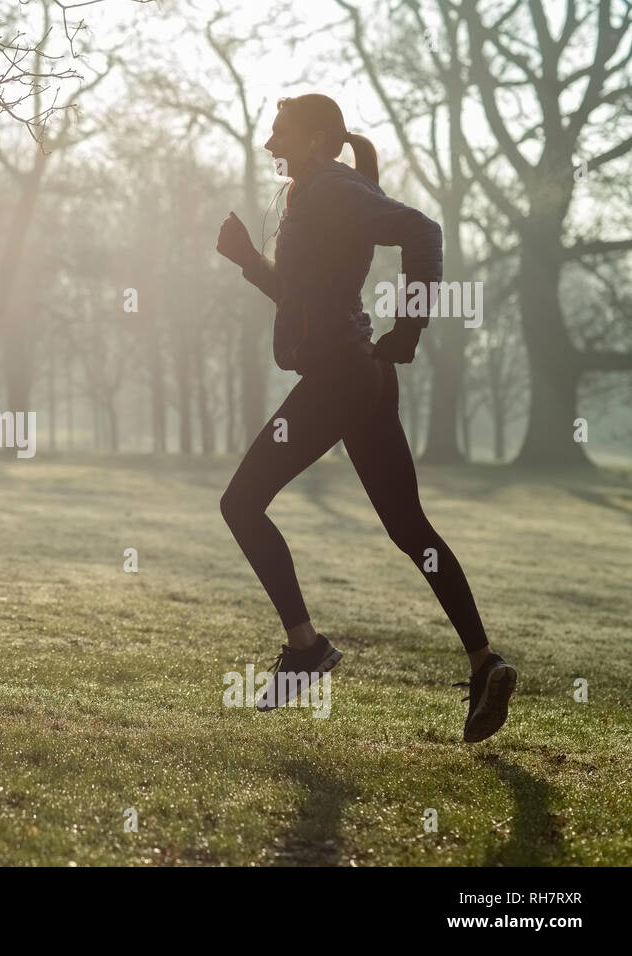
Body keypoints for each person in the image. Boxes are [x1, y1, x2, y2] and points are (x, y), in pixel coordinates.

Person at [214, 93, 516, 743]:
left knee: (240, 503)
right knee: (409, 528)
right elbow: (300, 297)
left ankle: (306, 650)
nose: (269, 142)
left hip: (341, 378)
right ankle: (484, 663)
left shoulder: (331, 188)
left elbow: (423, 231)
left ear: (317, 139)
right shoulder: (315, 192)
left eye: (280, 130)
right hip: (358, 379)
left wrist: (409, 327)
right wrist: (247, 260)